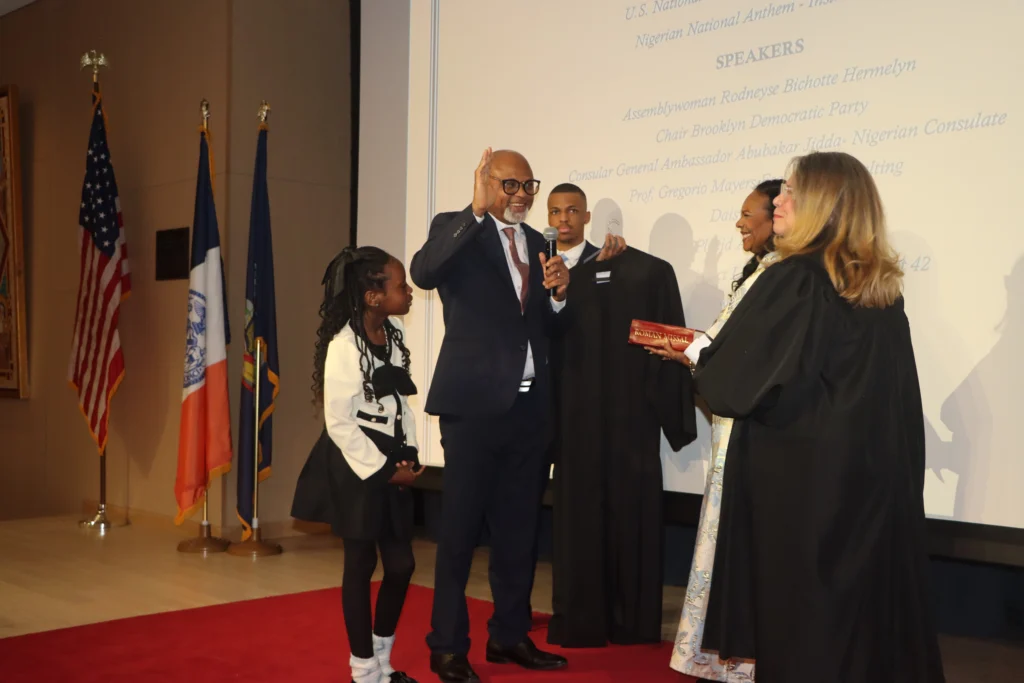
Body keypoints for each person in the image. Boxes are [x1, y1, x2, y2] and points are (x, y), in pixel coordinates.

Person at [665, 152, 946, 683]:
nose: (777, 200)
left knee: (803, 632)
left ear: (820, 203)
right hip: (866, 492)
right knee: (857, 633)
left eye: (790, 191)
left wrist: (703, 356)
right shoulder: (878, 285)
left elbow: (732, 384)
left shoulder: (794, 277)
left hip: (801, 499)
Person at [410, 148, 625, 683]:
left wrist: (558, 297)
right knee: (459, 532)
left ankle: (509, 635)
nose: (522, 195)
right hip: (474, 409)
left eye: (528, 185)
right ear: (486, 183)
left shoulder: (537, 243)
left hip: (530, 409)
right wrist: (476, 210)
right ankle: (448, 646)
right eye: (510, 184)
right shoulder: (459, 230)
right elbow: (424, 271)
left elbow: (550, 326)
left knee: (519, 531)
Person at [655, 178, 783, 681]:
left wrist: (693, 353)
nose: (739, 223)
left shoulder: (782, 276)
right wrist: (686, 347)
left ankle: (742, 658)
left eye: (748, 213)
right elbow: (726, 342)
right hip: (732, 430)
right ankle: (724, 653)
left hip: (753, 432)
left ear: (778, 217)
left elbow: (747, 358)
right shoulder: (759, 273)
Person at [291, 246, 424, 683]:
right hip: (357, 465)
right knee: (360, 564)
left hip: (391, 458)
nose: (408, 293)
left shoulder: (395, 336)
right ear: (372, 296)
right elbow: (339, 423)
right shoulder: (345, 347)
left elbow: (400, 402)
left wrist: (411, 451)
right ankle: (364, 669)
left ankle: (382, 659)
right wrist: (385, 470)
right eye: (400, 285)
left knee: (402, 565)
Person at [546, 182, 600, 268]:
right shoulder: (535, 261)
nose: (563, 219)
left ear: (587, 217)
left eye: (572, 211)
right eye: (555, 212)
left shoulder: (602, 259)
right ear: (549, 218)